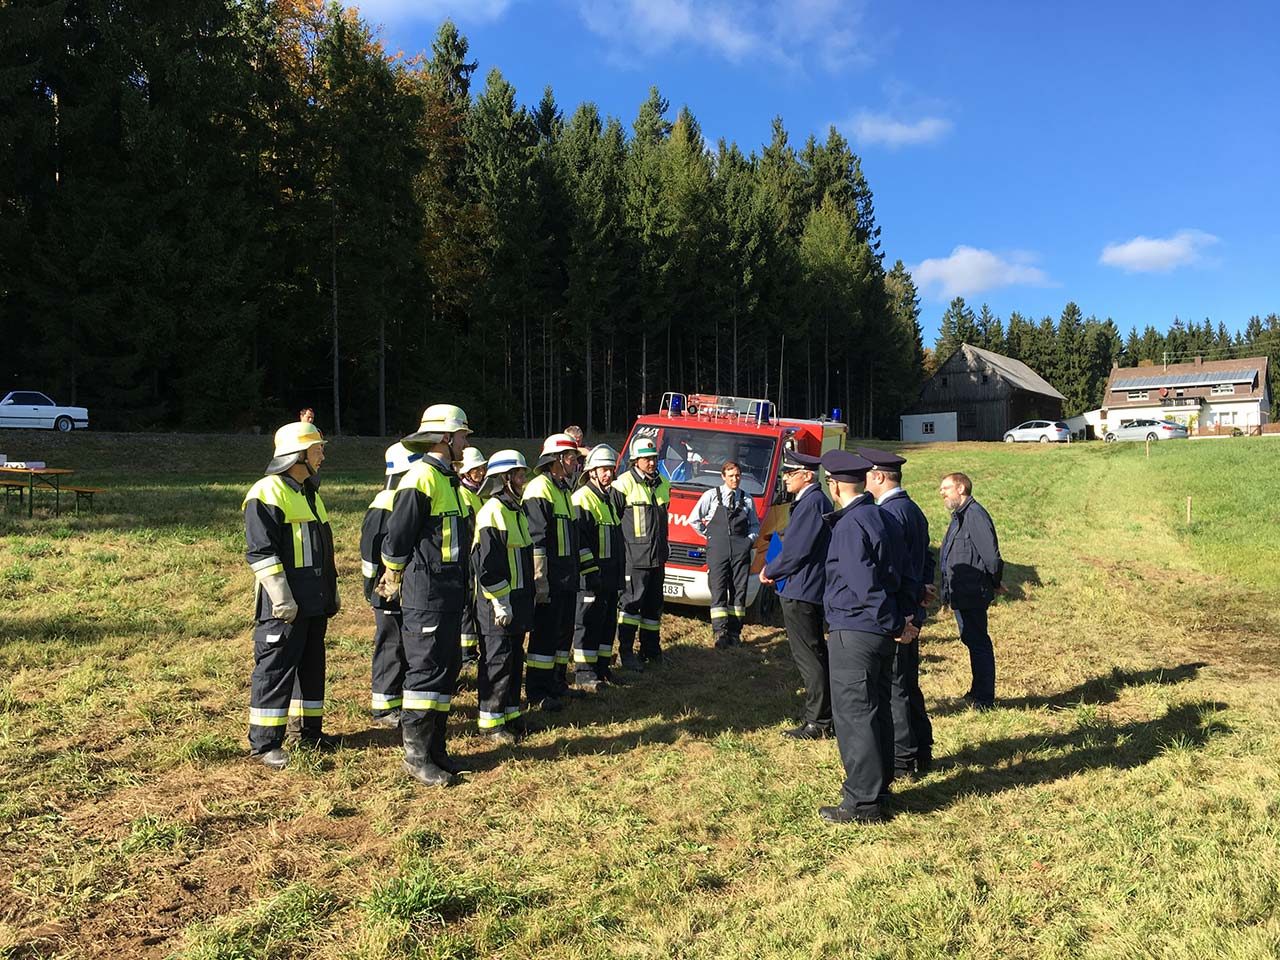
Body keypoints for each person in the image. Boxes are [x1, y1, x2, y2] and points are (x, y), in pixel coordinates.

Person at [377, 404, 475, 787]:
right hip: (426, 593)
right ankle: (416, 756)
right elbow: (397, 537)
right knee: (426, 671)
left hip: (449, 591)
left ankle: (436, 749)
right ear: (445, 439)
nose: (467, 443)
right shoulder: (420, 477)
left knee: (446, 669)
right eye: (463, 436)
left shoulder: (446, 478)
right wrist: (392, 578)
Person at [817, 449, 917, 825]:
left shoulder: (849, 525)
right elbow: (908, 571)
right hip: (879, 632)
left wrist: (894, 622)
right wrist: (904, 618)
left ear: (836, 486)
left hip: (855, 630)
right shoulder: (884, 517)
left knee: (855, 716)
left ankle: (862, 802)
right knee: (877, 710)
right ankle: (880, 787)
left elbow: (862, 584)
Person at [242, 421, 339, 769]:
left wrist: (331, 593)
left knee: (311, 667)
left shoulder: (309, 493)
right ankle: (265, 743)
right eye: (317, 450)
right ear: (298, 455)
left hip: (313, 602)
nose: (323, 456)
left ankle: (308, 732)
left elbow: (323, 552)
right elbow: (261, 553)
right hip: (284, 605)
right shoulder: (266, 492)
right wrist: (282, 598)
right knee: (275, 668)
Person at [859, 446, 935, 776]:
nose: (863, 481)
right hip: (912, 607)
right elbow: (926, 559)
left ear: (878, 477)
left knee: (897, 687)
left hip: (901, 613)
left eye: (866, 475)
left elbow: (895, 568)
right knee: (907, 683)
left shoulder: (890, 513)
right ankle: (920, 749)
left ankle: (905, 758)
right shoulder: (911, 508)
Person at [760, 449, 832, 740]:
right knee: (812, 653)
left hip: (802, 588)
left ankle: (819, 720)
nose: (785, 478)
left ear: (807, 475)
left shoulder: (813, 502)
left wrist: (771, 570)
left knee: (809, 656)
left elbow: (797, 550)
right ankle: (821, 716)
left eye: (790, 473)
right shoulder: (811, 501)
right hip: (802, 586)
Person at [523, 433, 592, 710]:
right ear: (556, 460)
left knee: (562, 635)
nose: (575, 462)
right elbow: (537, 541)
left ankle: (557, 683)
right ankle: (538, 691)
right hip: (550, 579)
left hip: (567, 578)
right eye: (571, 457)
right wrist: (540, 581)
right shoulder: (540, 489)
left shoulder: (564, 489)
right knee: (545, 636)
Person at [471, 450, 535, 744]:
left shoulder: (515, 510)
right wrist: (500, 601)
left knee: (513, 659)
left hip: (517, 600)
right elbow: (488, 566)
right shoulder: (492, 512)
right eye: (519, 475)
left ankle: (510, 715)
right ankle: (491, 723)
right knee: (496, 661)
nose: (524, 479)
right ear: (504, 479)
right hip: (497, 604)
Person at [360, 441, 421, 729]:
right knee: (390, 646)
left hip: (407, 589)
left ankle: (400, 698)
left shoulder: (404, 499)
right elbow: (370, 553)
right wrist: (375, 588)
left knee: (404, 646)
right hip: (387, 591)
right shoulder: (385, 503)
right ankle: (384, 707)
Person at [939, 472, 1002, 710]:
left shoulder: (974, 515)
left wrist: (994, 582)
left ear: (961, 488)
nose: (941, 492)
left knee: (978, 642)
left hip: (973, 591)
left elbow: (991, 556)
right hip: (963, 592)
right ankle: (977, 691)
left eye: (946, 488)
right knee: (972, 640)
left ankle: (984, 698)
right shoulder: (960, 516)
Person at [614, 436, 671, 668]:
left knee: (653, 607)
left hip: (657, 558)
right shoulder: (623, 484)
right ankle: (626, 652)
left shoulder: (662, 483)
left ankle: (651, 650)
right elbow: (614, 520)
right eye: (646, 459)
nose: (651, 462)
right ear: (635, 460)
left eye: (653, 458)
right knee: (630, 606)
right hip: (634, 559)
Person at [571, 444, 625, 689]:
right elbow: (580, 541)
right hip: (591, 576)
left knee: (606, 624)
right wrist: (590, 570)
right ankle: (584, 673)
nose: (608, 474)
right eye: (603, 470)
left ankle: (602, 669)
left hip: (610, 576)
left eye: (610, 470)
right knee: (587, 624)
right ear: (591, 472)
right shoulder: (583, 498)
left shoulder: (608, 499)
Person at [690, 460, 759, 648]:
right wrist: (710, 537)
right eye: (730, 476)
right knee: (718, 588)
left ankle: (735, 632)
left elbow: (754, 525)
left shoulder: (747, 499)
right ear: (723, 477)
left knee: (739, 590)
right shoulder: (711, 496)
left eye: (737, 475)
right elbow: (693, 519)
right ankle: (720, 632)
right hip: (717, 548)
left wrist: (749, 541)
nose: (735, 479)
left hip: (740, 549)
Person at [456, 447, 488, 667]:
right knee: (467, 604)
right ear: (465, 472)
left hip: (478, 557)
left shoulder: (477, 495)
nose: (482, 473)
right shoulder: (464, 496)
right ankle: (467, 653)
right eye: (476, 469)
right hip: (468, 559)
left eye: (482, 468)